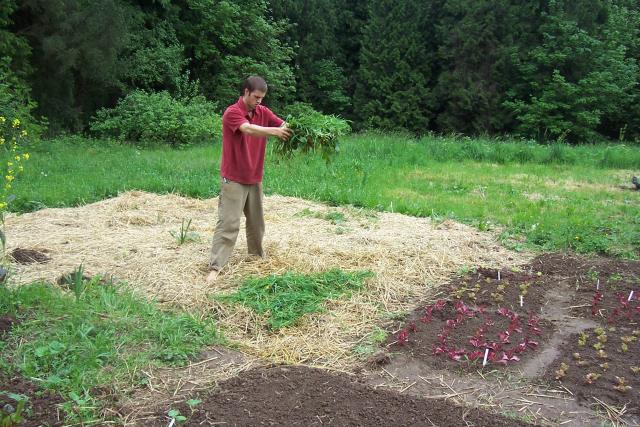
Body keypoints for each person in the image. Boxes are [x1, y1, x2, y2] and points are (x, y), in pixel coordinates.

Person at [207, 76, 291, 283]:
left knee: (256, 223)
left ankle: (256, 258)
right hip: (234, 178)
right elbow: (248, 129)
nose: (259, 101)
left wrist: (301, 129)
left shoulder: (262, 112)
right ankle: (216, 267)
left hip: (254, 177)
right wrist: (274, 132)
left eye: (262, 98)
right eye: (256, 97)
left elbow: (284, 124)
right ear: (245, 92)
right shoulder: (232, 113)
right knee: (229, 223)